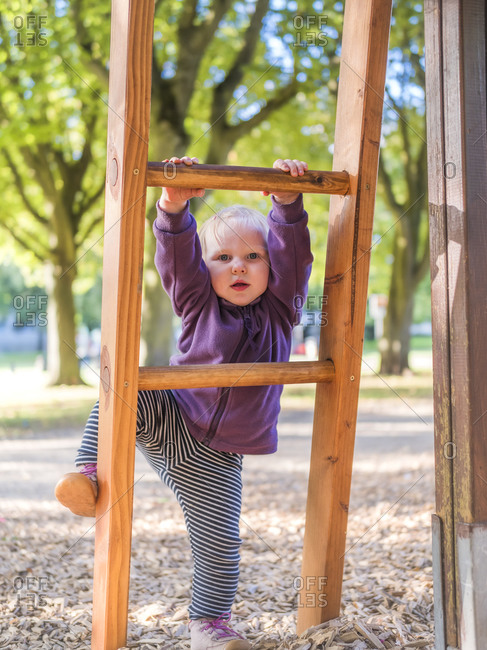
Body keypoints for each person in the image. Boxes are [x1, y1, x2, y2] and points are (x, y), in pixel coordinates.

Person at [55, 156, 314, 650]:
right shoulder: (197, 302)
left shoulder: (283, 309)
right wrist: (173, 210)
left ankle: (208, 624)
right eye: (223, 258)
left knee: (220, 541)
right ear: (206, 268)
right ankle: (88, 473)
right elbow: (176, 260)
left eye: (254, 257)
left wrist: (286, 203)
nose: (238, 265)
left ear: (270, 267)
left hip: (219, 455)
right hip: (174, 415)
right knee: (129, 390)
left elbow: (295, 258)